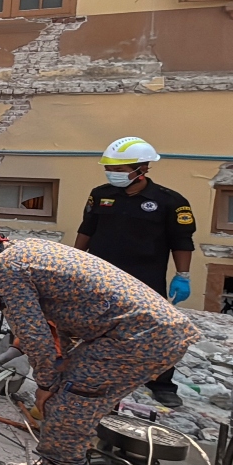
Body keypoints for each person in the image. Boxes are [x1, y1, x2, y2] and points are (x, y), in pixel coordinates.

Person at [0, 215, 199, 465]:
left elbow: (35, 335)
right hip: (137, 331)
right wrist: (53, 374)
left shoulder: (3, 268)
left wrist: (46, 385)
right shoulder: (28, 250)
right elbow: (56, 321)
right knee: (67, 392)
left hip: (139, 335)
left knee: (70, 403)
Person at [74, 137, 196, 408]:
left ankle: (161, 383)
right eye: (110, 169)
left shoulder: (171, 202)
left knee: (154, 329)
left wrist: (183, 275)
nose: (113, 174)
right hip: (100, 273)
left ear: (142, 169)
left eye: (120, 170)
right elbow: (86, 230)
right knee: (95, 323)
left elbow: (182, 242)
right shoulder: (100, 194)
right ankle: (96, 370)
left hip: (145, 276)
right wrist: (74, 262)